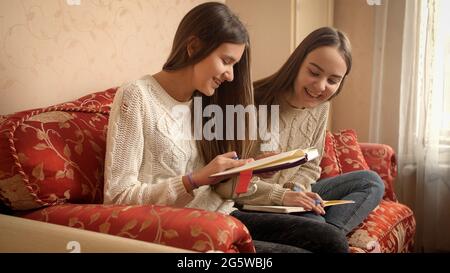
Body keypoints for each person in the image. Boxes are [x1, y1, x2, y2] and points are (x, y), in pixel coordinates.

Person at [103, 2, 324, 253]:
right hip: (188, 231)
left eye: (234, 65)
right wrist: (192, 180)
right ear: (193, 46)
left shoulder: (204, 102)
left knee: (327, 238)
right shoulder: (137, 97)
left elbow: (222, 190)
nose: (230, 75)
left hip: (224, 215)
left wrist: (251, 169)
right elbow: (117, 198)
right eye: (226, 61)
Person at [232, 27, 385, 250]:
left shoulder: (321, 107)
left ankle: (332, 236)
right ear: (297, 64)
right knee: (314, 223)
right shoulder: (251, 104)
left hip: (293, 196)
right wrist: (282, 193)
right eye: (314, 73)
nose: (321, 87)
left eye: (333, 80)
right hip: (255, 202)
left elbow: (311, 165)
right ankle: (334, 238)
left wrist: (297, 191)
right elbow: (233, 185)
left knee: (370, 182)